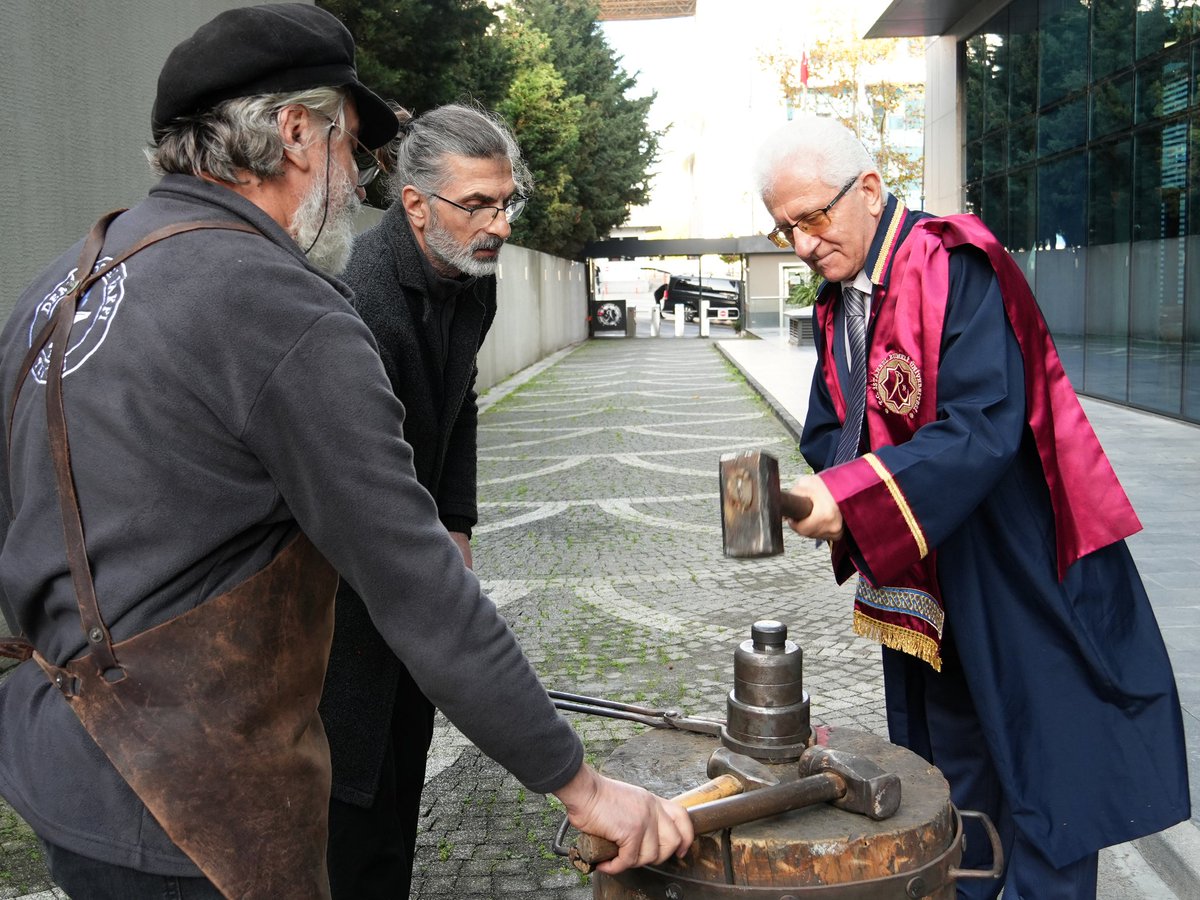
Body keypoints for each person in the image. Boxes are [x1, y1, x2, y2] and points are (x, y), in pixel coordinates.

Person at [0, 6, 692, 900]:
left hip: (58, 767)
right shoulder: (282, 304)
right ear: (297, 133)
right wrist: (581, 784)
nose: (358, 179)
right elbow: (411, 576)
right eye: (351, 147)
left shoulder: (64, 282)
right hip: (197, 813)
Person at [754, 115, 1188, 899]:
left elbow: (984, 422)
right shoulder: (839, 300)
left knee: (1045, 763)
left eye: (813, 218)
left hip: (1014, 558)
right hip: (923, 565)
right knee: (949, 762)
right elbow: (831, 425)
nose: (803, 244)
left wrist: (852, 496)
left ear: (870, 190)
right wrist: (830, 489)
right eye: (785, 229)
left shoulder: (953, 262)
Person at [319, 102, 528, 898]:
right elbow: (351, 485)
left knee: (404, 766)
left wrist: (457, 521)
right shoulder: (357, 298)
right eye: (477, 204)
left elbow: (458, 400)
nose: (498, 224)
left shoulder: (472, 279)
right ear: (414, 203)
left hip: (411, 559)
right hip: (340, 581)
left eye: (505, 202)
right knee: (351, 789)